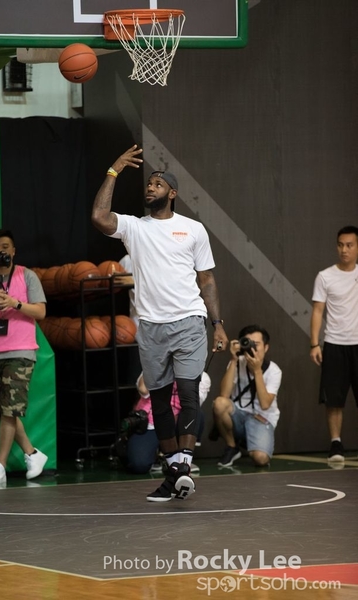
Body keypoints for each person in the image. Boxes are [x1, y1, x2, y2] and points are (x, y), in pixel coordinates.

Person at [91, 144, 228, 502]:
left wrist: (218, 323)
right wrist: (114, 169)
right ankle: (175, 474)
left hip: (189, 321)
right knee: (161, 402)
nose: (150, 187)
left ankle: (182, 468)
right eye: (148, 184)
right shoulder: (135, 227)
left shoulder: (193, 230)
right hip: (151, 328)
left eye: (158, 184)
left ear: (172, 193)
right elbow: (99, 216)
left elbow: (207, 279)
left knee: (188, 393)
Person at [0, 229, 48, 485]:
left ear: (14, 251)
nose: (0, 252)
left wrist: (16, 304)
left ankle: (0, 465)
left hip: (21, 351)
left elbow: (40, 312)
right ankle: (32, 453)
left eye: (5, 247)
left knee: (9, 409)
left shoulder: (27, 276)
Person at [310, 225, 358, 463]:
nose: (344, 250)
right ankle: (336, 443)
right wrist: (314, 344)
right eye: (340, 245)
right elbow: (318, 311)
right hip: (334, 344)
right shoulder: (325, 276)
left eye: (349, 245)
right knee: (334, 399)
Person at [212, 325, 282, 468]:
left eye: (256, 344)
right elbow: (224, 395)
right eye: (248, 343)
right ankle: (232, 446)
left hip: (261, 418)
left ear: (266, 347)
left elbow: (265, 404)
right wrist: (233, 360)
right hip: (238, 414)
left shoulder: (273, 371)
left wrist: (257, 371)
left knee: (261, 459)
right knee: (219, 403)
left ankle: (251, 441)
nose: (252, 348)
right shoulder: (237, 363)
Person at [123, 372, 211, 474]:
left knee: (196, 414)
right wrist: (156, 367)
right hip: (151, 422)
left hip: (178, 422)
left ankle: (183, 459)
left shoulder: (200, 375)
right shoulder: (154, 368)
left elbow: (191, 406)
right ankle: (159, 457)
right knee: (138, 465)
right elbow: (143, 390)